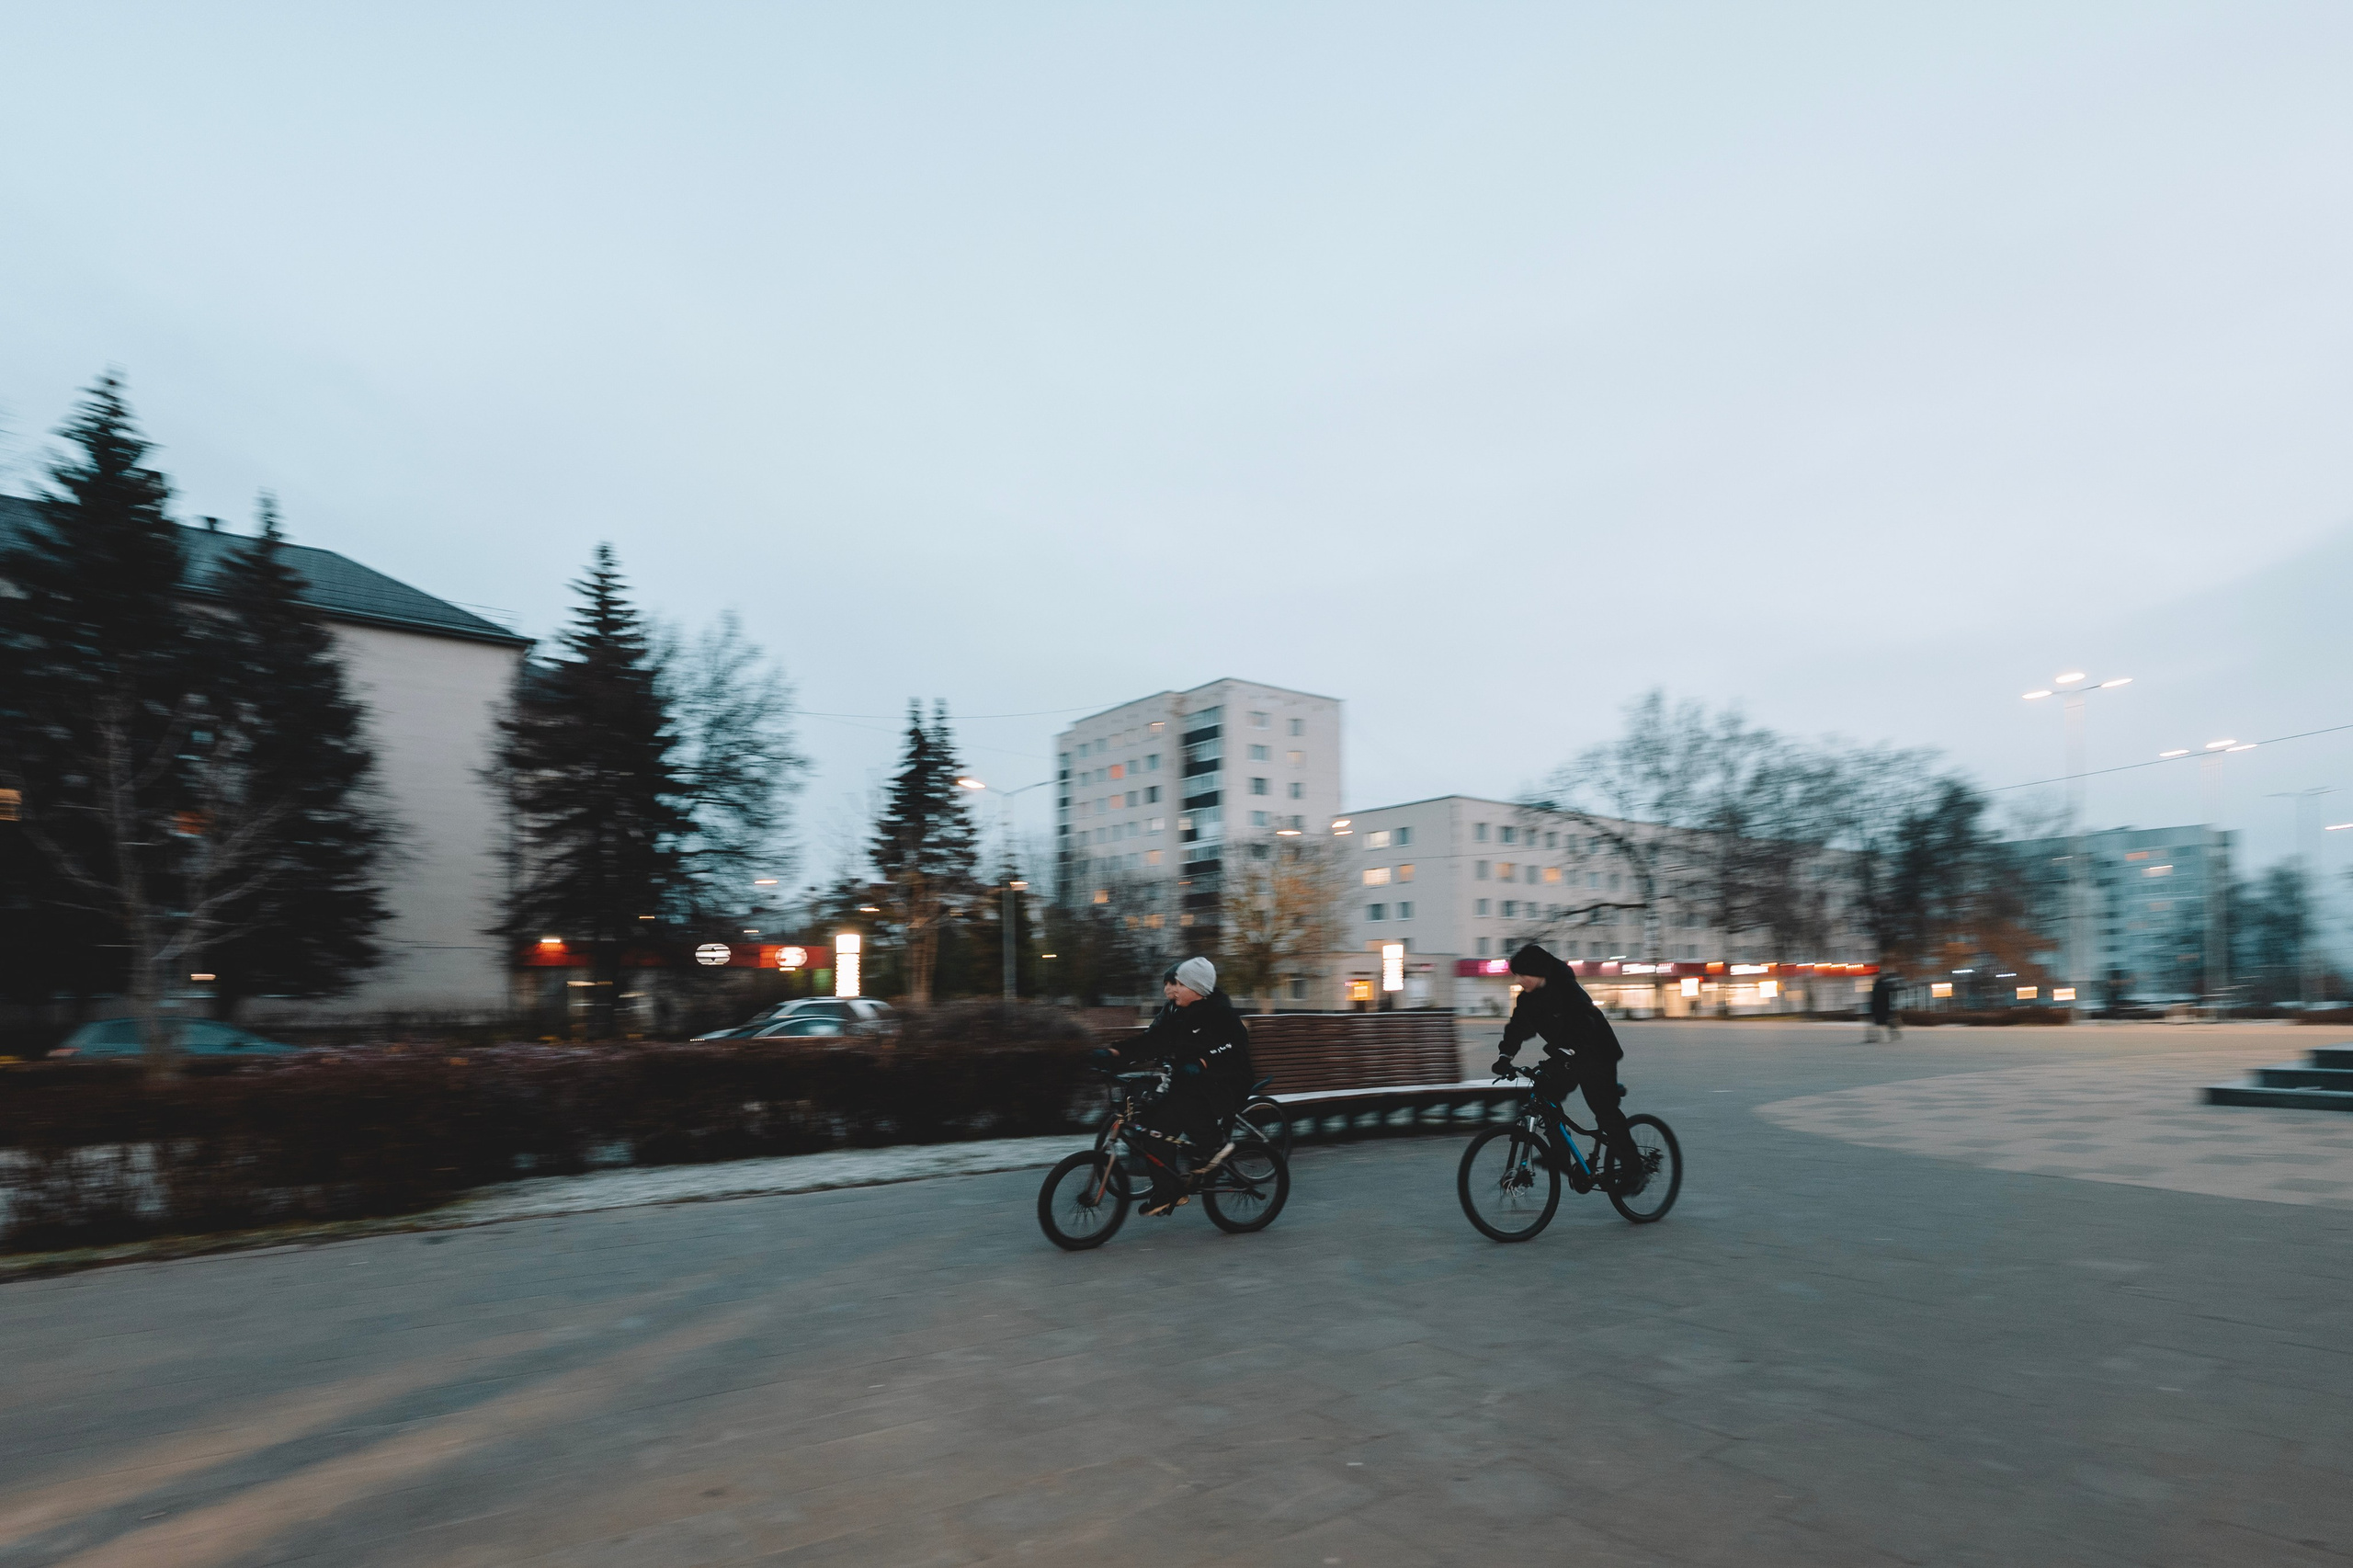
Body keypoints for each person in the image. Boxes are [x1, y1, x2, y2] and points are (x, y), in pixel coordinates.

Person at [1092, 956, 1256, 1215]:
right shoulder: (1179, 1015)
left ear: (1197, 989)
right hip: (1192, 1083)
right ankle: (1168, 1192)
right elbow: (1152, 1042)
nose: (1172, 990)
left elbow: (1234, 1050)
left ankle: (1214, 1144)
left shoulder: (1221, 1014)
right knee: (1153, 1129)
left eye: (1179, 984)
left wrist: (1203, 1062)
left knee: (1183, 1098)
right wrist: (1114, 1054)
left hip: (1225, 1084)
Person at [1491, 943, 1639, 1189]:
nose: (1519, 980)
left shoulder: (1566, 988)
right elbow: (1517, 1028)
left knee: (1604, 1111)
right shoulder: (1527, 1000)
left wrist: (1568, 1049)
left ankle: (1634, 1169)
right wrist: (1505, 1056)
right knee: (1544, 1096)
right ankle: (1559, 1156)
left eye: (1522, 974)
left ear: (1538, 972)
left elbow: (1585, 1021)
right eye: (1515, 975)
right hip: (1566, 1056)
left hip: (1596, 1053)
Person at [1865, 972, 1901, 1043]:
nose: (1873, 977)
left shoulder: (1879, 986)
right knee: (1882, 1023)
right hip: (1880, 1008)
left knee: (1879, 1023)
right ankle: (1893, 1034)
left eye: (1875, 976)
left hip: (1880, 1008)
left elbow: (1879, 998)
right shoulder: (1879, 985)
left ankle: (1875, 1037)